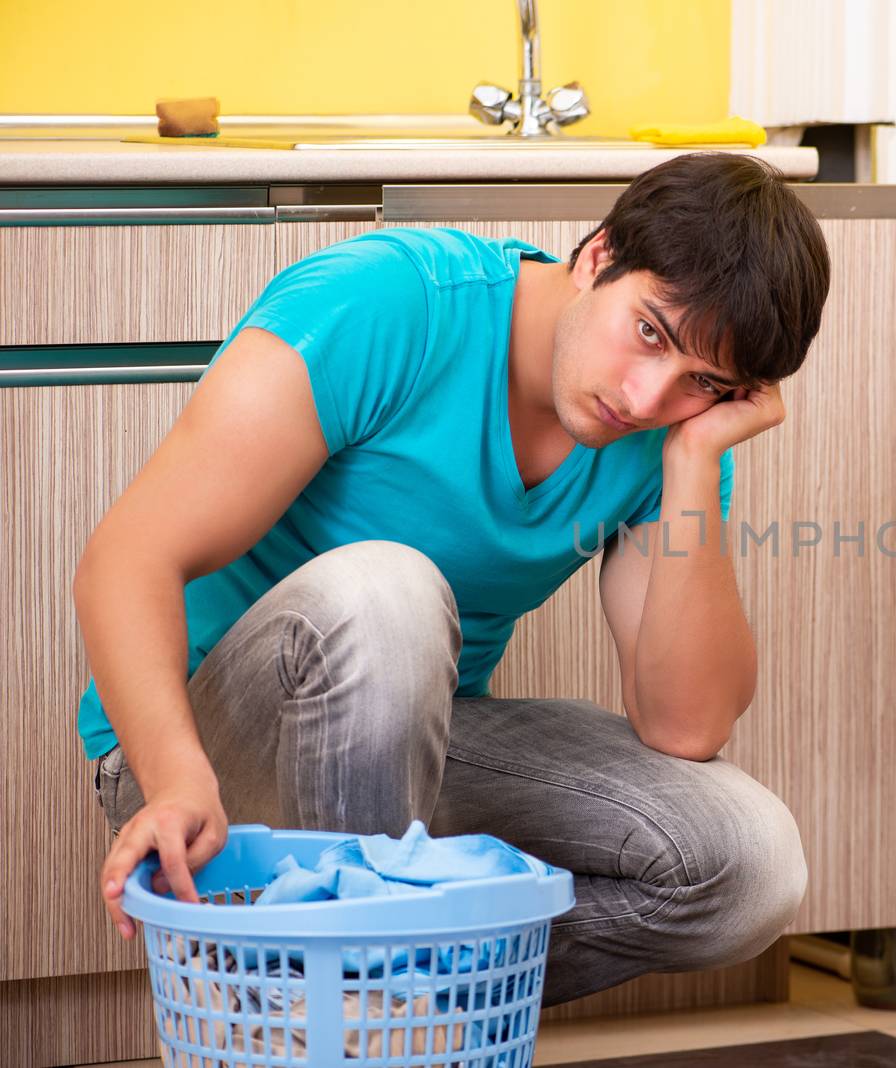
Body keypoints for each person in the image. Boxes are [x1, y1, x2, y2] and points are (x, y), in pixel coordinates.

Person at [73, 151, 831, 1005]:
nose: (646, 397)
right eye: (650, 332)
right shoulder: (390, 303)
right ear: (597, 255)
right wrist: (175, 777)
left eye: (704, 382)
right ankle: (357, 1022)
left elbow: (685, 725)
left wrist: (694, 458)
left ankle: (360, 1005)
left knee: (748, 863)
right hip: (197, 755)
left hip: (408, 763)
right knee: (387, 588)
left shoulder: (666, 432)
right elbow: (126, 557)